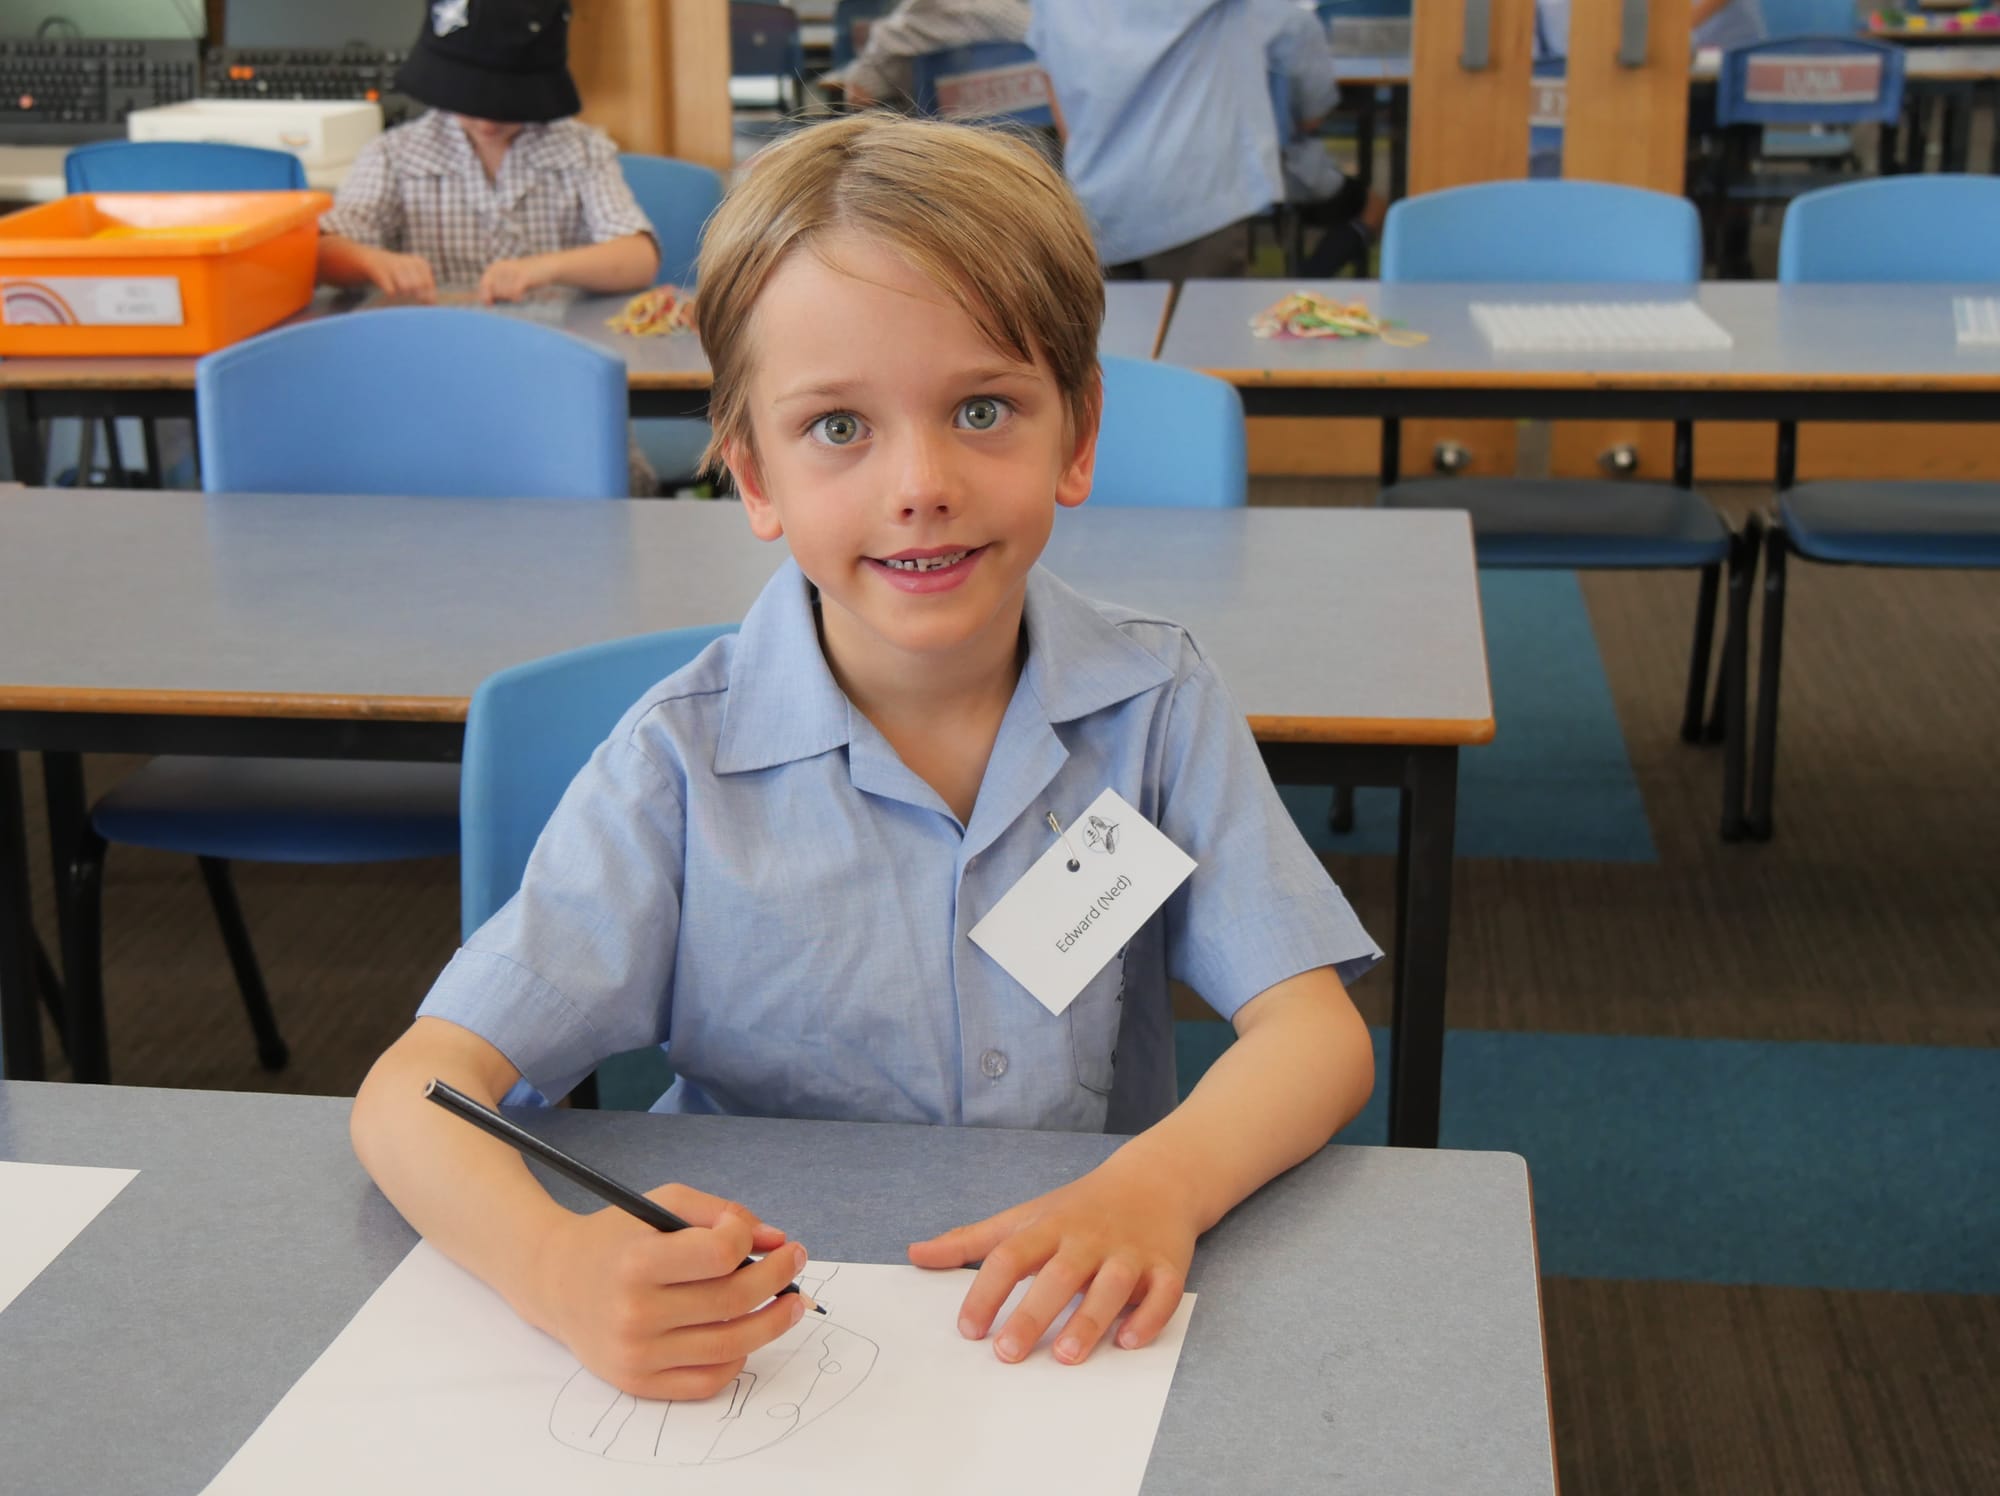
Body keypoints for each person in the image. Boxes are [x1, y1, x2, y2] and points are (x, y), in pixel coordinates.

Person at [350, 114, 1380, 1403]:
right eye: (837, 427)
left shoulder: (1154, 704)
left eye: (983, 408)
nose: (920, 482)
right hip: (770, 1338)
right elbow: (414, 1093)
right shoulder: (680, 764)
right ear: (753, 473)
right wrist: (558, 1270)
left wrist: (1156, 1186)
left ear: (1076, 434)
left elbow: (1315, 1033)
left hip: (1063, 1313)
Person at [317, 0, 659, 306]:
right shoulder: (392, 155)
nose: (487, 122)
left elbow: (639, 258)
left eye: (508, 105)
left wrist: (543, 268)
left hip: (554, 344)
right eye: (470, 102)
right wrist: (376, 263)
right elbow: (322, 254)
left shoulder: (583, 151)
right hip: (431, 344)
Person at [1028, 0, 1292, 278]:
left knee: (1120, 320)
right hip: (1191, 198)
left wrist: (1079, 153)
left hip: (1101, 195)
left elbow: (1048, 69)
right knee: (1204, 319)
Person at [827, 0, 1032, 110]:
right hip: (1026, 161)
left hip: (936, 164)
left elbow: (857, 96)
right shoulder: (1022, 18)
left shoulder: (894, 34)